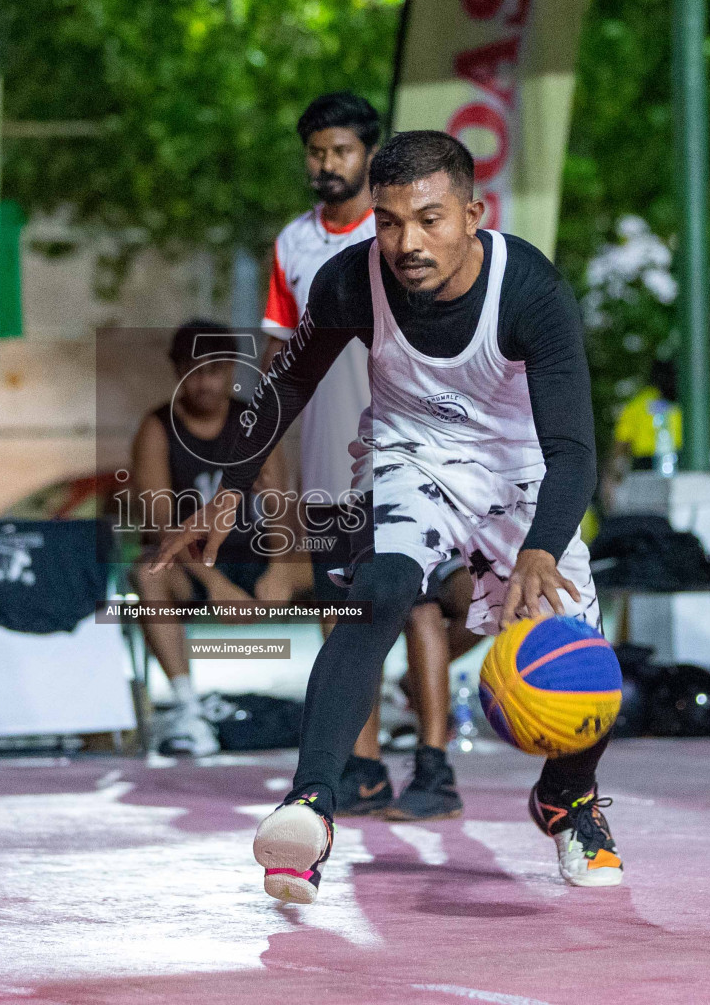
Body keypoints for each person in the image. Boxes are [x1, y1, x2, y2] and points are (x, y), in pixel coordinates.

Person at [155, 131, 623, 901]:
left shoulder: (529, 288)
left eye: (430, 219)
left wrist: (542, 547)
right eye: (390, 221)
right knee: (376, 593)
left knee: (582, 657)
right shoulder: (350, 280)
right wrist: (229, 490)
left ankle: (567, 799)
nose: (407, 242)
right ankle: (310, 804)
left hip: (522, 471)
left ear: (474, 213)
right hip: (411, 456)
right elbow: (286, 386)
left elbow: (573, 448)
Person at [264, 93, 481, 822]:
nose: (326, 164)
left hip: (412, 447)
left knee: (417, 604)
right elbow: (278, 367)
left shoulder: (405, 238)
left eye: (341, 151)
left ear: (369, 155)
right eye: (316, 152)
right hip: (330, 458)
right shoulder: (293, 244)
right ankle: (357, 769)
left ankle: (433, 763)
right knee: (342, 609)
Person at [130, 320, 303, 756]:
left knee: (350, 568)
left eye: (215, 369)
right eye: (194, 370)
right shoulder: (157, 428)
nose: (205, 381)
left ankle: (360, 704)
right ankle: (188, 709)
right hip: (196, 566)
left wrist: (280, 571)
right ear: (177, 372)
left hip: (258, 557)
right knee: (148, 573)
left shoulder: (256, 421)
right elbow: (162, 525)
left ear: (230, 372)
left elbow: (281, 505)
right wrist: (216, 585)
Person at [603, 359, 682, 509]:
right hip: (678, 465)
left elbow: (620, 445)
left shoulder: (637, 405)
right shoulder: (682, 404)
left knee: (648, 512)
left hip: (644, 468)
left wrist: (610, 477)